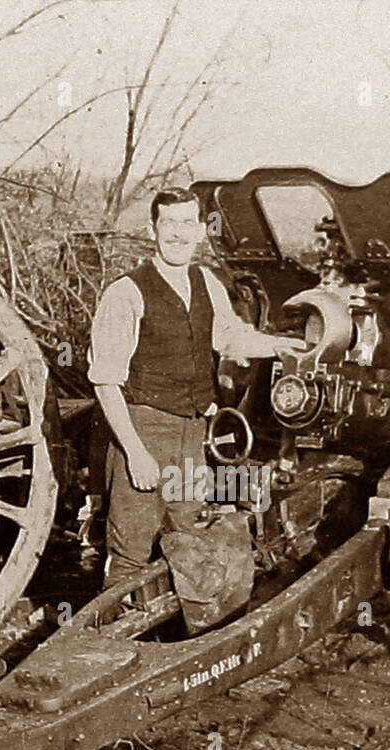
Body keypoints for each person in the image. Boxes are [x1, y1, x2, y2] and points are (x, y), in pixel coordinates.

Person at [88, 186, 293, 589]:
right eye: (169, 224)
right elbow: (107, 383)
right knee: (130, 553)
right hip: (145, 431)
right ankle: (109, 644)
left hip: (193, 435)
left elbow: (231, 338)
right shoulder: (125, 292)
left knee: (189, 539)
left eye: (187, 224)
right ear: (153, 229)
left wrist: (281, 345)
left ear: (201, 230)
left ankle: (175, 643)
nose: (178, 234)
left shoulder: (207, 283)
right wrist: (136, 454)